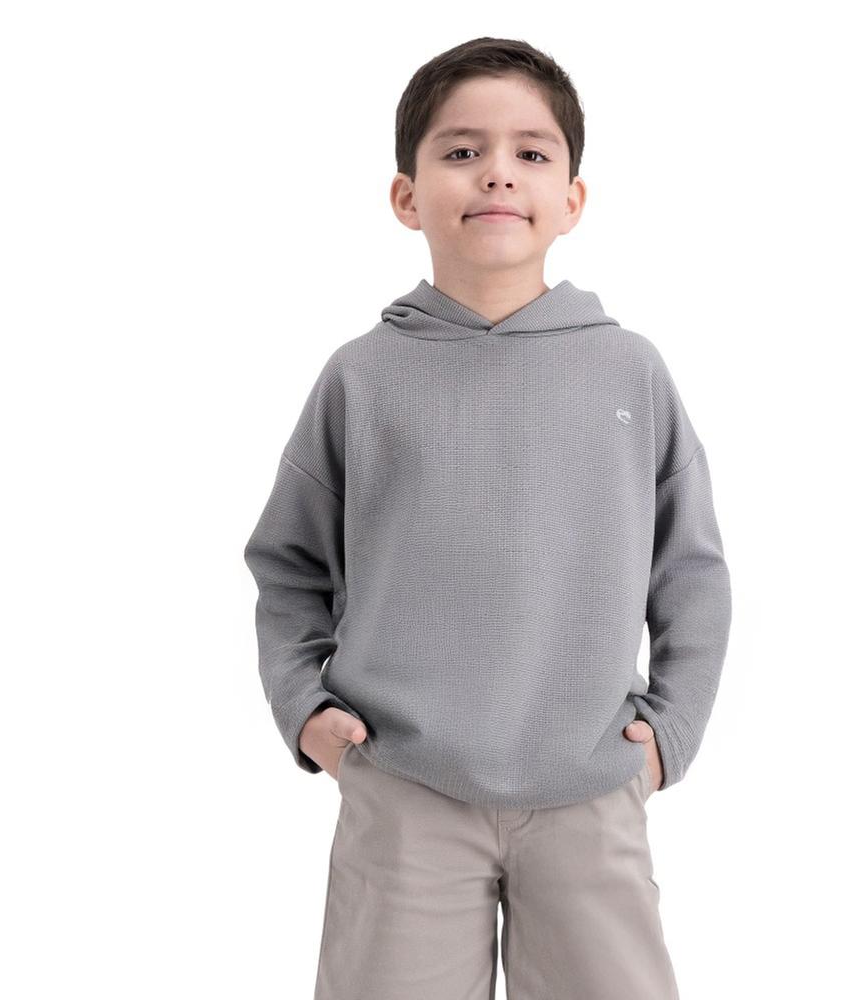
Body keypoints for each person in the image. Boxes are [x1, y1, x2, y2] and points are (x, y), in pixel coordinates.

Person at [243, 35, 732, 1000]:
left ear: (572, 199)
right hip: (403, 786)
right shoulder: (360, 378)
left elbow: (691, 571)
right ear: (406, 195)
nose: (497, 173)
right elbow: (288, 567)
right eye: (462, 151)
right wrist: (306, 712)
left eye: (531, 153)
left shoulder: (629, 371)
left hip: (591, 783)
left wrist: (671, 733)